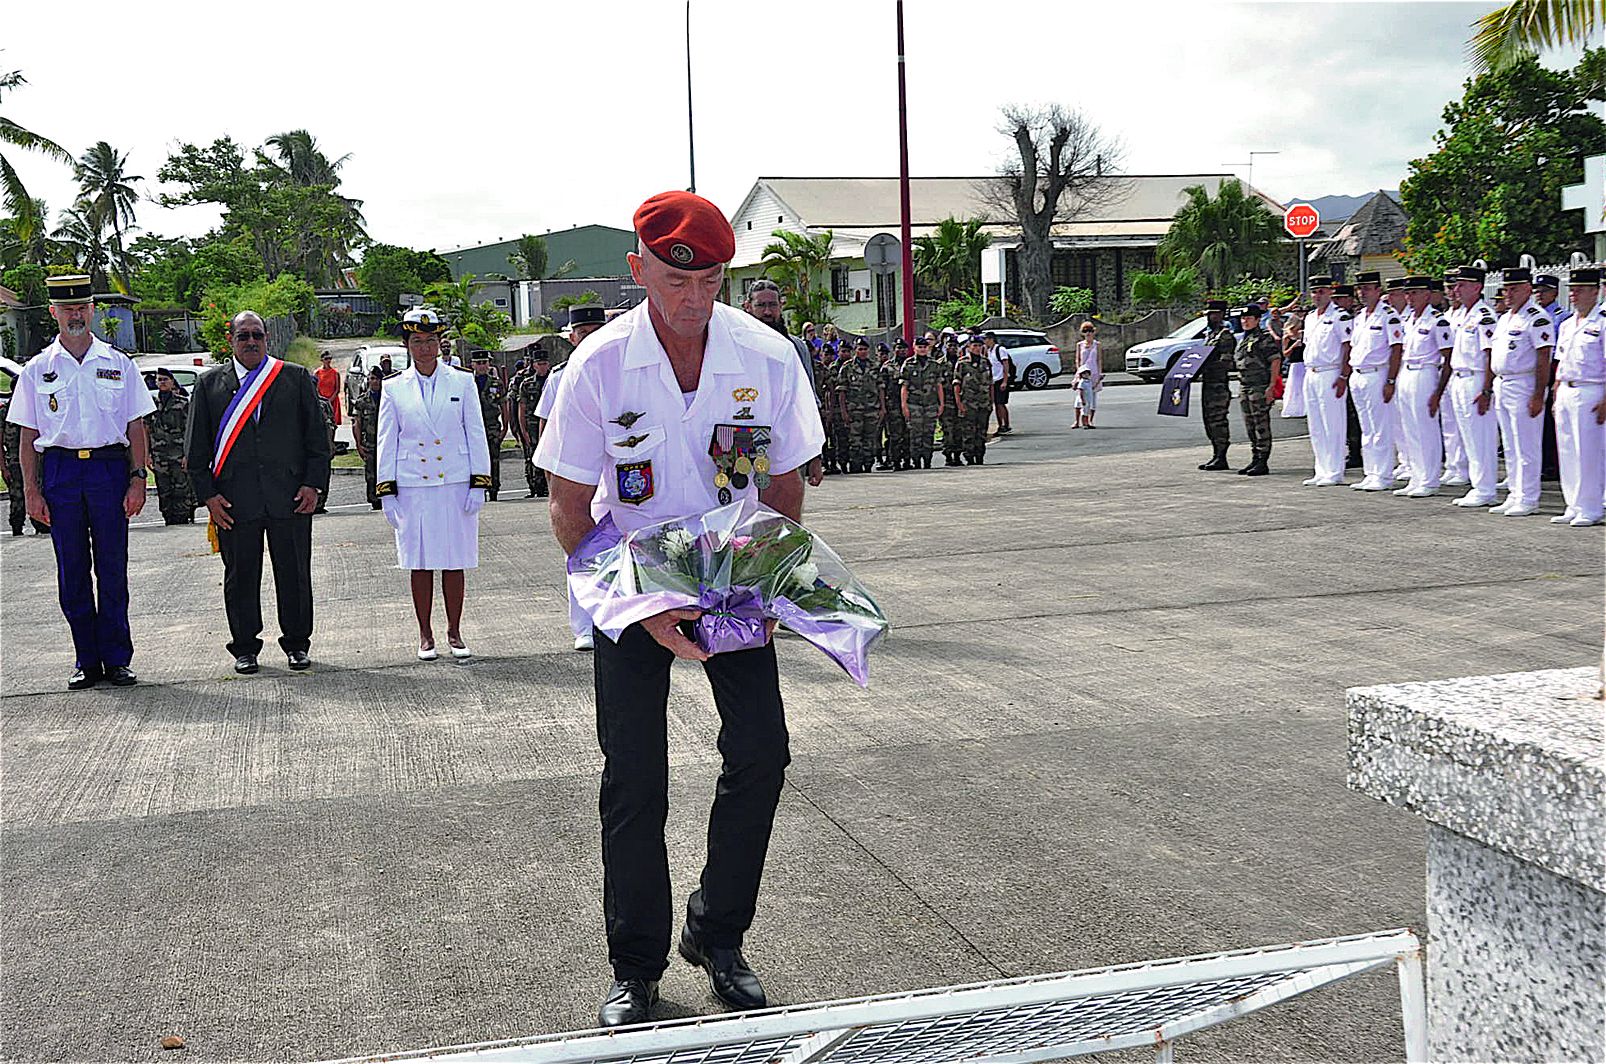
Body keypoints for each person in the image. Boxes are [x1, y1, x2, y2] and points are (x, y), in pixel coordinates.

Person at [534, 190, 824, 1028]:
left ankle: (718, 933)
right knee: (635, 781)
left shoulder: (766, 356)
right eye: (673, 281)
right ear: (638, 271)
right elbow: (567, 508)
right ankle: (637, 966)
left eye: (710, 284)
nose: (693, 301)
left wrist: (767, 579)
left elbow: (784, 483)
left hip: (731, 577)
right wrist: (643, 607)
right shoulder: (598, 365)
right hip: (631, 587)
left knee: (762, 753)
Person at [4, 274, 153, 689]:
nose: (75, 314)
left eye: (82, 307)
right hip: (62, 472)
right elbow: (28, 434)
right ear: (53, 312)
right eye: (67, 308)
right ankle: (86, 660)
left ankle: (118, 658)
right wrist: (32, 490)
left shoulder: (118, 363)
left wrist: (138, 478)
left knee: (112, 567)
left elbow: (136, 424)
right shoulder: (38, 369)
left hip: (108, 469)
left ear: (91, 310)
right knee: (72, 570)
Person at [185, 310, 330, 674]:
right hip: (234, 500)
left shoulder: (293, 378)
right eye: (243, 336)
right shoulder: (209, 385)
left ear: (267, 339)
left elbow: (317, 438)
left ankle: (297, 644)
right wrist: (208, 496)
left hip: (290, 496)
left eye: (257, 335)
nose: (251, 342)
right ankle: (245, 647)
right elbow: (196, 449)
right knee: (241, 575)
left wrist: (313, 484)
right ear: (230, 341)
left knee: (294, 573)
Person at [375, 307, 492, 659]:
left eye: (431, 341)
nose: (425, 348)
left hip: (454, 482)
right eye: (417, 341)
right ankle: (425, 634)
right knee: (419, 561)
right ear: (407, 345)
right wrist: (387, 490)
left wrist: (479, 481)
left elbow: (475, 432)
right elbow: (387, 440)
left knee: (455, 561)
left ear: (441, 343)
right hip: (414, 486)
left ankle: (454, 631)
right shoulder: (394, 387)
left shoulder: (462, 381)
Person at [535, 306, 611, 651]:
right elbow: (547, 428)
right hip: (576, 476)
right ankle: (583, 626)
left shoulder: (618, 368)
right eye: (584, 332)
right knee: (578, 549)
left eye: (597, 329)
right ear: (571, 337)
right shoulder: (559, 377)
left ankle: (610, 617)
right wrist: (554, 478)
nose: (591, 337)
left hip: (613, 476)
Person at [743, 278, 823, 484]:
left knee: (785, 511)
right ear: (747, 307)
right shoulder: (734, 346)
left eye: (773, 305)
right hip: (743, 443)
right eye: (761, 305)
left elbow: (808, 402)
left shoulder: (795, 347)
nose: (768, 312)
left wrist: (815, 455)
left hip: (787, 445)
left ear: (782, 305)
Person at [1489, 267, 1554, 517]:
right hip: (1503, 383)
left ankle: (1528, 497)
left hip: (1524, 384)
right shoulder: (1505, 318)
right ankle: (1515, 493)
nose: (1508, 293)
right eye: (1506, 289)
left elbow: (1543, 356)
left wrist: (1539, 394)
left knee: (1526, 444)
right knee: (1510, 444)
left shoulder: (1536, 318)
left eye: (1514, 288)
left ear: (1528, 288)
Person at [1550, 268, 1605, 527]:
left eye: (1580, 289)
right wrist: (1556, 392)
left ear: (1596, 291)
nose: (1574, 294)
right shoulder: (1567, 324)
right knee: (1568, 450)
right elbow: (1561, 361)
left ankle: (1591, 507)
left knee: (1589, 452)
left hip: (1591, 390)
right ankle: (1573, 503)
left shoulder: (1602, 321)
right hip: (1567, 390)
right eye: (1572, 289)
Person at [1391, 277, 1453, 498]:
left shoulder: (1437, 321)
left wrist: (1438, 391)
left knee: (1425, 428)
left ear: (1427, 294)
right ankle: (1417, 476)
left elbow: (1448, 358)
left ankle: (1429, 478)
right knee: (1410, 429)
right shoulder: (1408, 321)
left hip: (1425, 372)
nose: (1410, 298)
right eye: (1408, 293)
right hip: (1406, 373)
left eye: (1415, 293)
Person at [1346, 272, 1404, 492]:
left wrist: (1390, 379)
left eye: (1367, 288)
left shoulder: (1388, 315)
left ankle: (1383, 474)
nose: (1362, 293)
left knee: (1381, 427)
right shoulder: (1360, 316)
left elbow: (1396, 348)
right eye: (1359, 289)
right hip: (1358, 374)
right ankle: (1371, 472)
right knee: (1367, 428)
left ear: (1378, 290)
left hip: (1377, 373)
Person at [1300, 277, 1354, 487]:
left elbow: (1347, 347)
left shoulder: (1340, 316)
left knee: (1333, 423)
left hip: (1330, 372)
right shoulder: (1310, 317)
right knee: (1316, 424)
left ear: (1330, 292)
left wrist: (1343, 376)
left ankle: (1334, 470)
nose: (1317, 295)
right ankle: (1321, 469)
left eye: (1322, 291)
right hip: (1311, 372)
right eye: (1314, 292)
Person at [1232, 305, 1280, 475]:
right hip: (1245, 386)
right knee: (1250, 424)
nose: (1245, 321)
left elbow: (1275, 361)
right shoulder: (1243, 339)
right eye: (1243, 318)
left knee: (1261, 425)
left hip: (1259, 386)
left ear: (1258, 320)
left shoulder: (1263, 338)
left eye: (1249, 318)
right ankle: (1255, 457)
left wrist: (1271, 386)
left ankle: (1263, 460)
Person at [145, 368, 197, 525]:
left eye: (165, 380)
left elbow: (190, 429)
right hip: (159, 455)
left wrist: (188, 454)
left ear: (172, 382)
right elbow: (146, 429)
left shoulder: (182, 403)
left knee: (181, 489)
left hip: (178, 453)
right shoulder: (151, 404)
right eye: (159, 380)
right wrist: (146, 455)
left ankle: (183, 519)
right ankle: (169, 520)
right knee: (164, 490)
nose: (162, 383)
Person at [1196, 299, 1237, 470]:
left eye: (1215, 314)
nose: (1211, 317)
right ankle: (1215, 454)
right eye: (1209, 314)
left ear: (1221, 315)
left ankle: (1222, 456)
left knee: (1218, 421)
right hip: (1208, 383)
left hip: (1218, 385)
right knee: (1208, 421)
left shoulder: (1225, 335)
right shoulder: (1210, 335)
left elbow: (1226, 362)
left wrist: (1206, 366)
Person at [1, 395, 51, 536]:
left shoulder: (34, 408)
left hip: (34, 460)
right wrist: (3, 466)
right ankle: (17, 527)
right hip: (15, 462)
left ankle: (40, 526)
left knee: (39, 492)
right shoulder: (5, 412)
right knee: (17, 497)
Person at [836, 338, 881, 473]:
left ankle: (868, 465)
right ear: (855, 350)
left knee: (870, 440)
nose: (862, 352)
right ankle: (855, 466)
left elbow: (880, 388)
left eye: (865, 349)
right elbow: (842, 391)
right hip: (854, 410)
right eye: (860, 349)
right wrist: (844, 412)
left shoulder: (874, 366)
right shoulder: (847, 367)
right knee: (855, 441)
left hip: (871, 409)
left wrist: (882, 408)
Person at [900, 333, 944, 469]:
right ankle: (916, 461)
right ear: (914, 348)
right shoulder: (908, 364)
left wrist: (941, 404)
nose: (922, 349)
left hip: (930, 404)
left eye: (924, 347)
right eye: (919, 347)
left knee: (929, 434)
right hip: (914, 405)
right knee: (915, 434)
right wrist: (904, 405)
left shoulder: (934, 365)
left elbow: (939, 386)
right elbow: (904, 387)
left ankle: (927, 461)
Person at [471, 352, 505, 501]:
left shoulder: (496, 383)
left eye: (484, 362)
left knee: (493, 459)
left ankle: (493, 490)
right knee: (474, 461)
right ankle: (478, 490)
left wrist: (505, 426)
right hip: (473, 428)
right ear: (473, 365)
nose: (482, 366)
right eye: (478, 363)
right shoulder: (467, 382)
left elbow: (504, 405)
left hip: (492, 426)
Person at [955, 334, 993, 464]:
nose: (977, 348)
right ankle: (969, 457)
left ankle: (980, 456)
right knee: (968, 432)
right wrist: (959, 404)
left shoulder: (986, 362)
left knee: (982, 432)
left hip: (983, 403)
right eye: (974, 345)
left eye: (979, 345)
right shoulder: (962, 363)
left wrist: (991, 402)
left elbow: (990, 384)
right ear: (969, 347)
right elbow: (957, 385)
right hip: (968, 404)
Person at [351, 366, 385, 509]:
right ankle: (374, 500)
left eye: (377, 378)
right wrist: (358, 444)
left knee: (386, 472)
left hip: (386, 444)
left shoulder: (387, 398)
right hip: (370, 444)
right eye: (371, 378)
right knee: (371, 475)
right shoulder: (362, 401)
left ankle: (387, 498)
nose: (374, 382)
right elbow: (357, 423)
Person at [877, 341, 910, 470]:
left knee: (907, 434)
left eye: (904, 348)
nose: (901, 351)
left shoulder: (910, 364)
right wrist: (883, 406)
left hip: (907, 404)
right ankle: (895, 461)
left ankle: (907, 460)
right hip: (893, 405)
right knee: (895, 435)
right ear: (894, 350)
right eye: (899, 348)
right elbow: (882, 388)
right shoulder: (887, 367)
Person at [938, 334, 964, 465]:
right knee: (948, 430)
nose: (952, 348)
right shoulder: (939, 364)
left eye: (955, 346)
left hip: (960, 402)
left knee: (959, 430)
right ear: (945, 346)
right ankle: (948, 455)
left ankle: (958, 455)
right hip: (946, 402)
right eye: (950, 345)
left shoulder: (963, 363)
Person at [1280, 310, 1308, 419]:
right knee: (1295, 388)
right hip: (1295, 364)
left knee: (1304, 387)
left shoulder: (1302, 334)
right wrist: (1294, 346)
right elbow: (1285, 353)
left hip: (1305, 363)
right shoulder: (1287, 337)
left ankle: (1305, 408)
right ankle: (1294, 408)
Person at [983, 331, 1012, 434]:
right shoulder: (989, 351)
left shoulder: (1000, 350)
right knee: (996, 404)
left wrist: (1005, 381)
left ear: (991, 339)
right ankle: (1000, 425)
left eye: (986, 339)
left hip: (1000, 379)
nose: (984, 342)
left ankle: (1006, 424)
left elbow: (1005, 366)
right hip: (993, 381)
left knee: (1001, 404)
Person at [1073, 322, 1101, 429]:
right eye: (1085, 331)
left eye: (1090, 331)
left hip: (1093, 373)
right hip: (1082, 373)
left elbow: (1099, 360)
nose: (1088, 333)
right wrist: (1078, 373)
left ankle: (1090, 420)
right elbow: (1078, 359)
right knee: (1080, 398)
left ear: (1093, 332)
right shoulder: (1080, 345)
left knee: (1092, 399)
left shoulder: (1097, 345)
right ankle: (1077, 421)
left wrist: (1099, 374)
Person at [314, 350, 342, 426]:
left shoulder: (335, 373)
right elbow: (315, 387)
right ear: (322, 360)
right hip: (321, 401)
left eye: (330, 358)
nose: (328, 361)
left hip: (333, 401)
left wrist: (330, 400)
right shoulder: (317, 373)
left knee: (333, 423)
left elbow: (337, 389)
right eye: (326, 359)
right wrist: (321, 399)